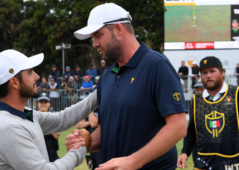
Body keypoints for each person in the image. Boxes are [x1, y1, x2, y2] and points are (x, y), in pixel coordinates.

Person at [67, 3, 187, 170]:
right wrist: (85, 143)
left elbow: (179, 126)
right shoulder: (106, 77)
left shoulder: (156, 65)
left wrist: (134, 161)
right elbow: (108, 131)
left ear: (118, 29)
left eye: (98, 35)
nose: (94, 43)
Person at [0, 49, 98, 170]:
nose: (37, 77)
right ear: (15, 82)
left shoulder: (23, 114)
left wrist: (100, 92)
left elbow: (62, 119)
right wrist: (80, 148)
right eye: (30, 72)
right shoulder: (7, 128)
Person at [177, 56, 239, 170]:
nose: (208, 76)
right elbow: (191, 131)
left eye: (212, 71)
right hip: (203, 163)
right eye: (204, 72)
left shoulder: (236, 93)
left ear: (222, 72)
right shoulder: (196, 99)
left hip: (233, 162)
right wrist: (185, 152)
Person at [178, 81, 205, 167]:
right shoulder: (194, 102)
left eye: (201, 89)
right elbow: (191, 129)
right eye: (197, 90)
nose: (198, 91)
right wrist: (185, 152)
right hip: (197, 146)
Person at [37, 93, 61, 162]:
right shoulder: (32, 115)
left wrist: (45, 122)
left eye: (45, 102)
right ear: (37, 104)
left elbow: (57, 135)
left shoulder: (54, 115)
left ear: (49, 103)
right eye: (41, 102)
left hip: (51, 151)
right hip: (37, 152)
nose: (43, 104)